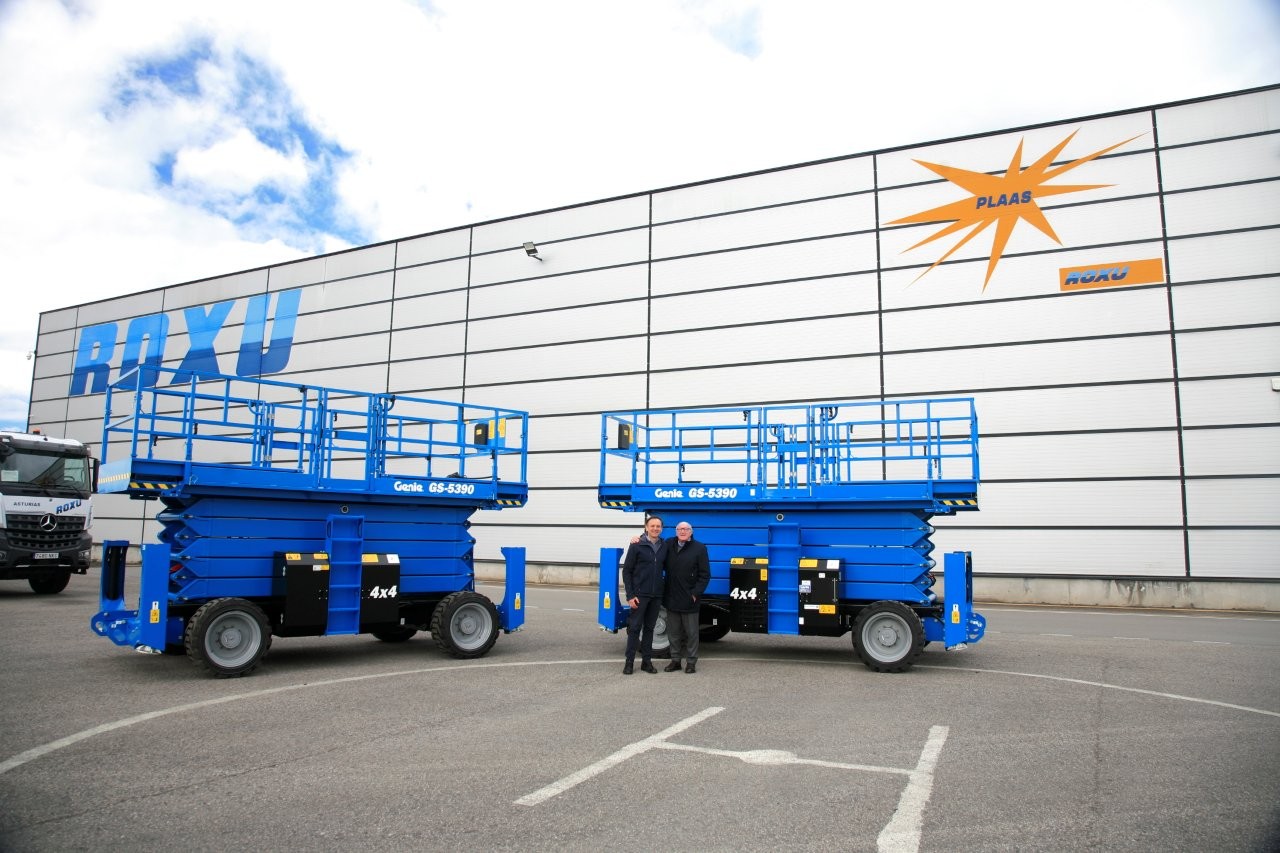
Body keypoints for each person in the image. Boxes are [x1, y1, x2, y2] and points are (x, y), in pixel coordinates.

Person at [620, 514, 666, 674]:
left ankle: (647, 662)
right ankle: (629, 663)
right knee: (634, 629)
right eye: (652, 526)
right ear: (646, 527)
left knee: (649, 629)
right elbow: (627, 571)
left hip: (656, 595)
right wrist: (630, 596)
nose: (655, 528)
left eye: (658, 526)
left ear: (661, 529)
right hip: (639, 595)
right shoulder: (637, 545)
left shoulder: (664, 546)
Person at [662, 521, 710, 674]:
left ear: (691, 532)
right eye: (680, 529)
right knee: (673, 633)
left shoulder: (699, 548)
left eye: (686, 529)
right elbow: (652, 542)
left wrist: (695, 593)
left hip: (690, 598)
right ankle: (675, 661)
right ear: (676, 531)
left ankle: (691, 662)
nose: (682, 531)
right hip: (671, 597)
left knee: (691, 634)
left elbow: (705, 575)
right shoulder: (668, 544)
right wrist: (639, 538)